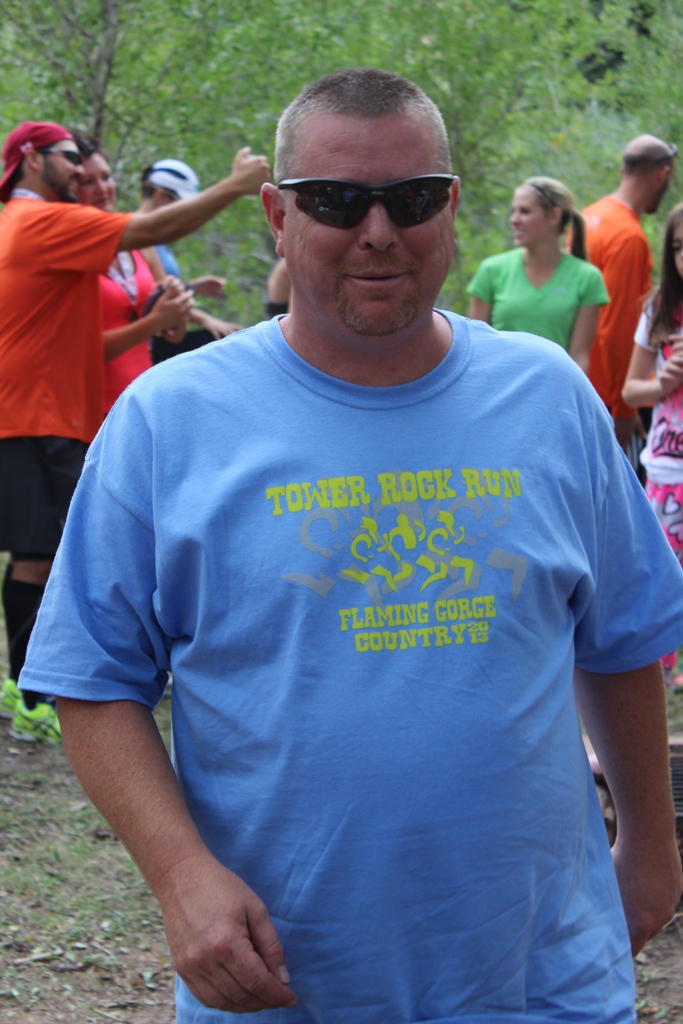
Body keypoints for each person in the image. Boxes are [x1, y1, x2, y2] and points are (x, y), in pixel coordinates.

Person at [20, 69, 683, 1024]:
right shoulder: (172, 419)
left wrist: (651, 851)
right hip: (281, 981)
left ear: (449, 207)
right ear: (276, 216)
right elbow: (91, 675)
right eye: (335, 201)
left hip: (539, 976)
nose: (378, 231)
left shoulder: (546, 397)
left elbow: (620, 636)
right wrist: (179, 874)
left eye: (410, 200)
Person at [0, 120, 270, 741]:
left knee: (49, 551)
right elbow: (151, 229)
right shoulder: (36, 218)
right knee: (40, 555)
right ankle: (31, 694)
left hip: (59, 410)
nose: (81, 172)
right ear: (32, 159)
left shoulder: (40, 222)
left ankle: (38, 688)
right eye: (70, 158)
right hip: (34, 411)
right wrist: (234, 186)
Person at [75, 136, 193, 413]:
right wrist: (154, 321)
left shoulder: (141, 243)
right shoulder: (73, 253)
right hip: (93, 406)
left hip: (140, 398)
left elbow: (173, 335)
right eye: (88, 182)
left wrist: (174, 303)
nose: (102, 188)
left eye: (106, 177)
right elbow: (87, 350)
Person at [583, 135, 677, 453]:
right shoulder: (628, 236)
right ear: (663, 173)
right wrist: (625, 410)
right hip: (613, 400)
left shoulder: (590, 217)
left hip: (585, 385)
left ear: (624, 170)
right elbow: (619, 328)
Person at [623, 200, 683, 683]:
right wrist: (662, 383)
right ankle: (659, 676)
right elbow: (630, 390)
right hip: (667, 471)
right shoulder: (659, 307)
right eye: (679, 247)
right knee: (662, 584)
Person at [467, 176, 608, 372]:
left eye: (524, 211)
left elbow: (579, 357)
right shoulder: (491, 270)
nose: (514, 220)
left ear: (554, 216)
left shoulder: (587, 278)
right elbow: (475, 347)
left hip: (553, 386)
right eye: (513, 211)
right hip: (499, 384)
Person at [139, 158, 242, 351]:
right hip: (148, 344)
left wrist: (192, 287)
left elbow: (156, 287)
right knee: (226, 342)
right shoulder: (139, 239)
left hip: (163, 337)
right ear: (162, 196)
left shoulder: (159, 242)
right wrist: (204, 318)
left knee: (235, 338)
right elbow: (153, 300)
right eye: (183, 206)